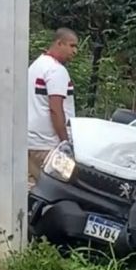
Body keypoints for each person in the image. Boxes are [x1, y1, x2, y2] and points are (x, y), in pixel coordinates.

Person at [27, 28, 79, 186]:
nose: (75, 51)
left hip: (31, 141)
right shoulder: (57, 71)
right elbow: (56, 109)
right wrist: (65, 144)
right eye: (72, 46)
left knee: (37, 188)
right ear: (59, 43)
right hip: (49, 145)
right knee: (63, 189)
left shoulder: (37, 65)